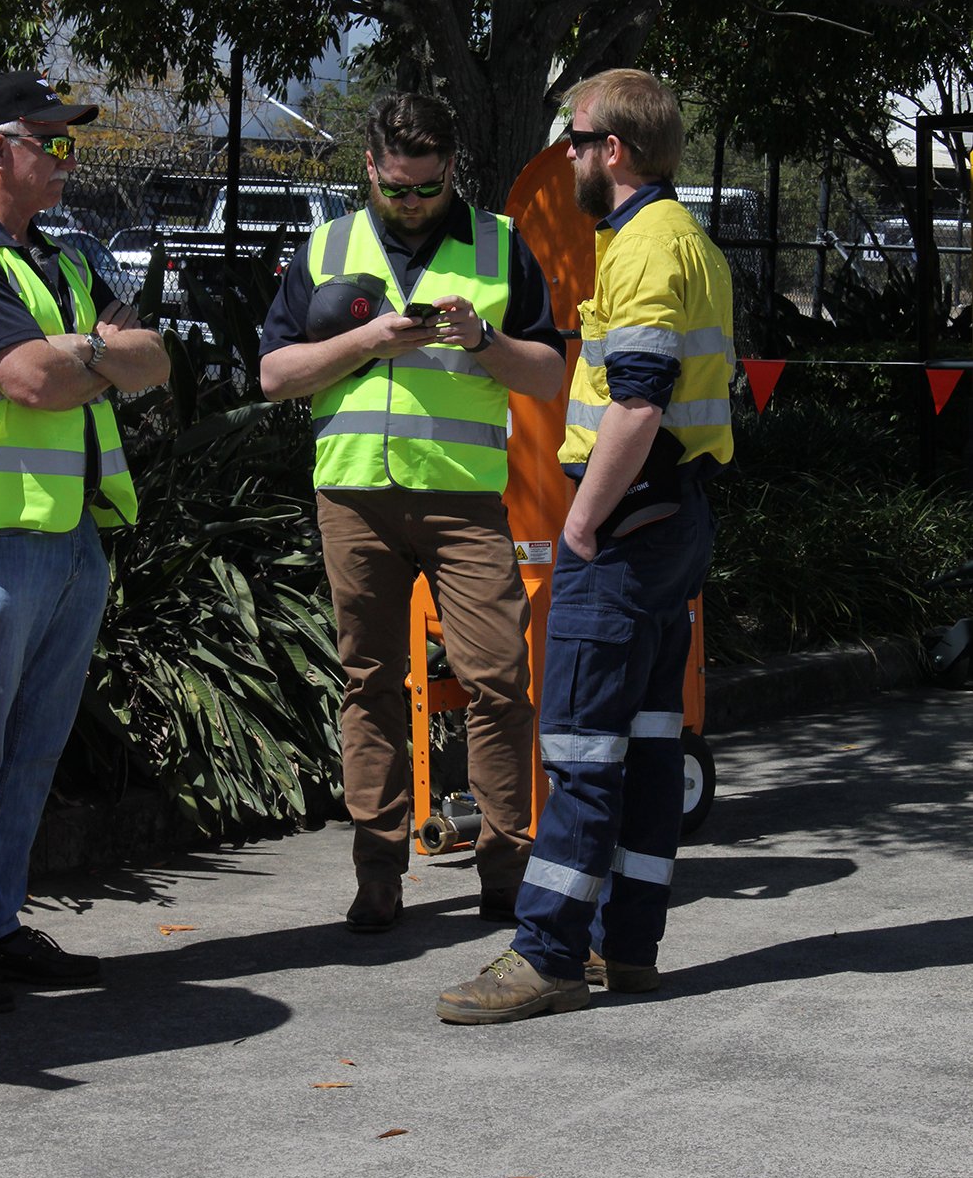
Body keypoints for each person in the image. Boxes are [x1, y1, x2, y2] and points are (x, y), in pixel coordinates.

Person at [437, 68, 735, 1023]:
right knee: (647, 748)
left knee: (578, 750)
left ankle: (547, 956)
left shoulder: (642, 247)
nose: (564, 155)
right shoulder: (684, 238)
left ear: (615, 150)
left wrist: (578, 523)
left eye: (575, 139)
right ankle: (626, 946)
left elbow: (637, 403)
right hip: (673, 522)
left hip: (623, 525)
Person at [0, 70, 171, 1012]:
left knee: (33, 750)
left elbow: (154, 359)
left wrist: (87, 354)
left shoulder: (65, 259)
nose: (66, 159)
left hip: (71, 536)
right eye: (52, 142)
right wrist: (95, 352)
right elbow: (31, 381)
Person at [259, 93, 565, 931]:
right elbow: (275, 375)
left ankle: (506, 864)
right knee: (370, 681)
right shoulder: (328, 246)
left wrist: (483, 342)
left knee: (499, 678)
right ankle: (378, 873)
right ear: (369, 167)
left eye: (429, 187)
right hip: (353, 495)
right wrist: (368, 342)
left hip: (464, 499)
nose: (412, 202)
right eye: (396, 187)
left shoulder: (500, 244)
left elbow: (548, 376)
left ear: (452, 169)